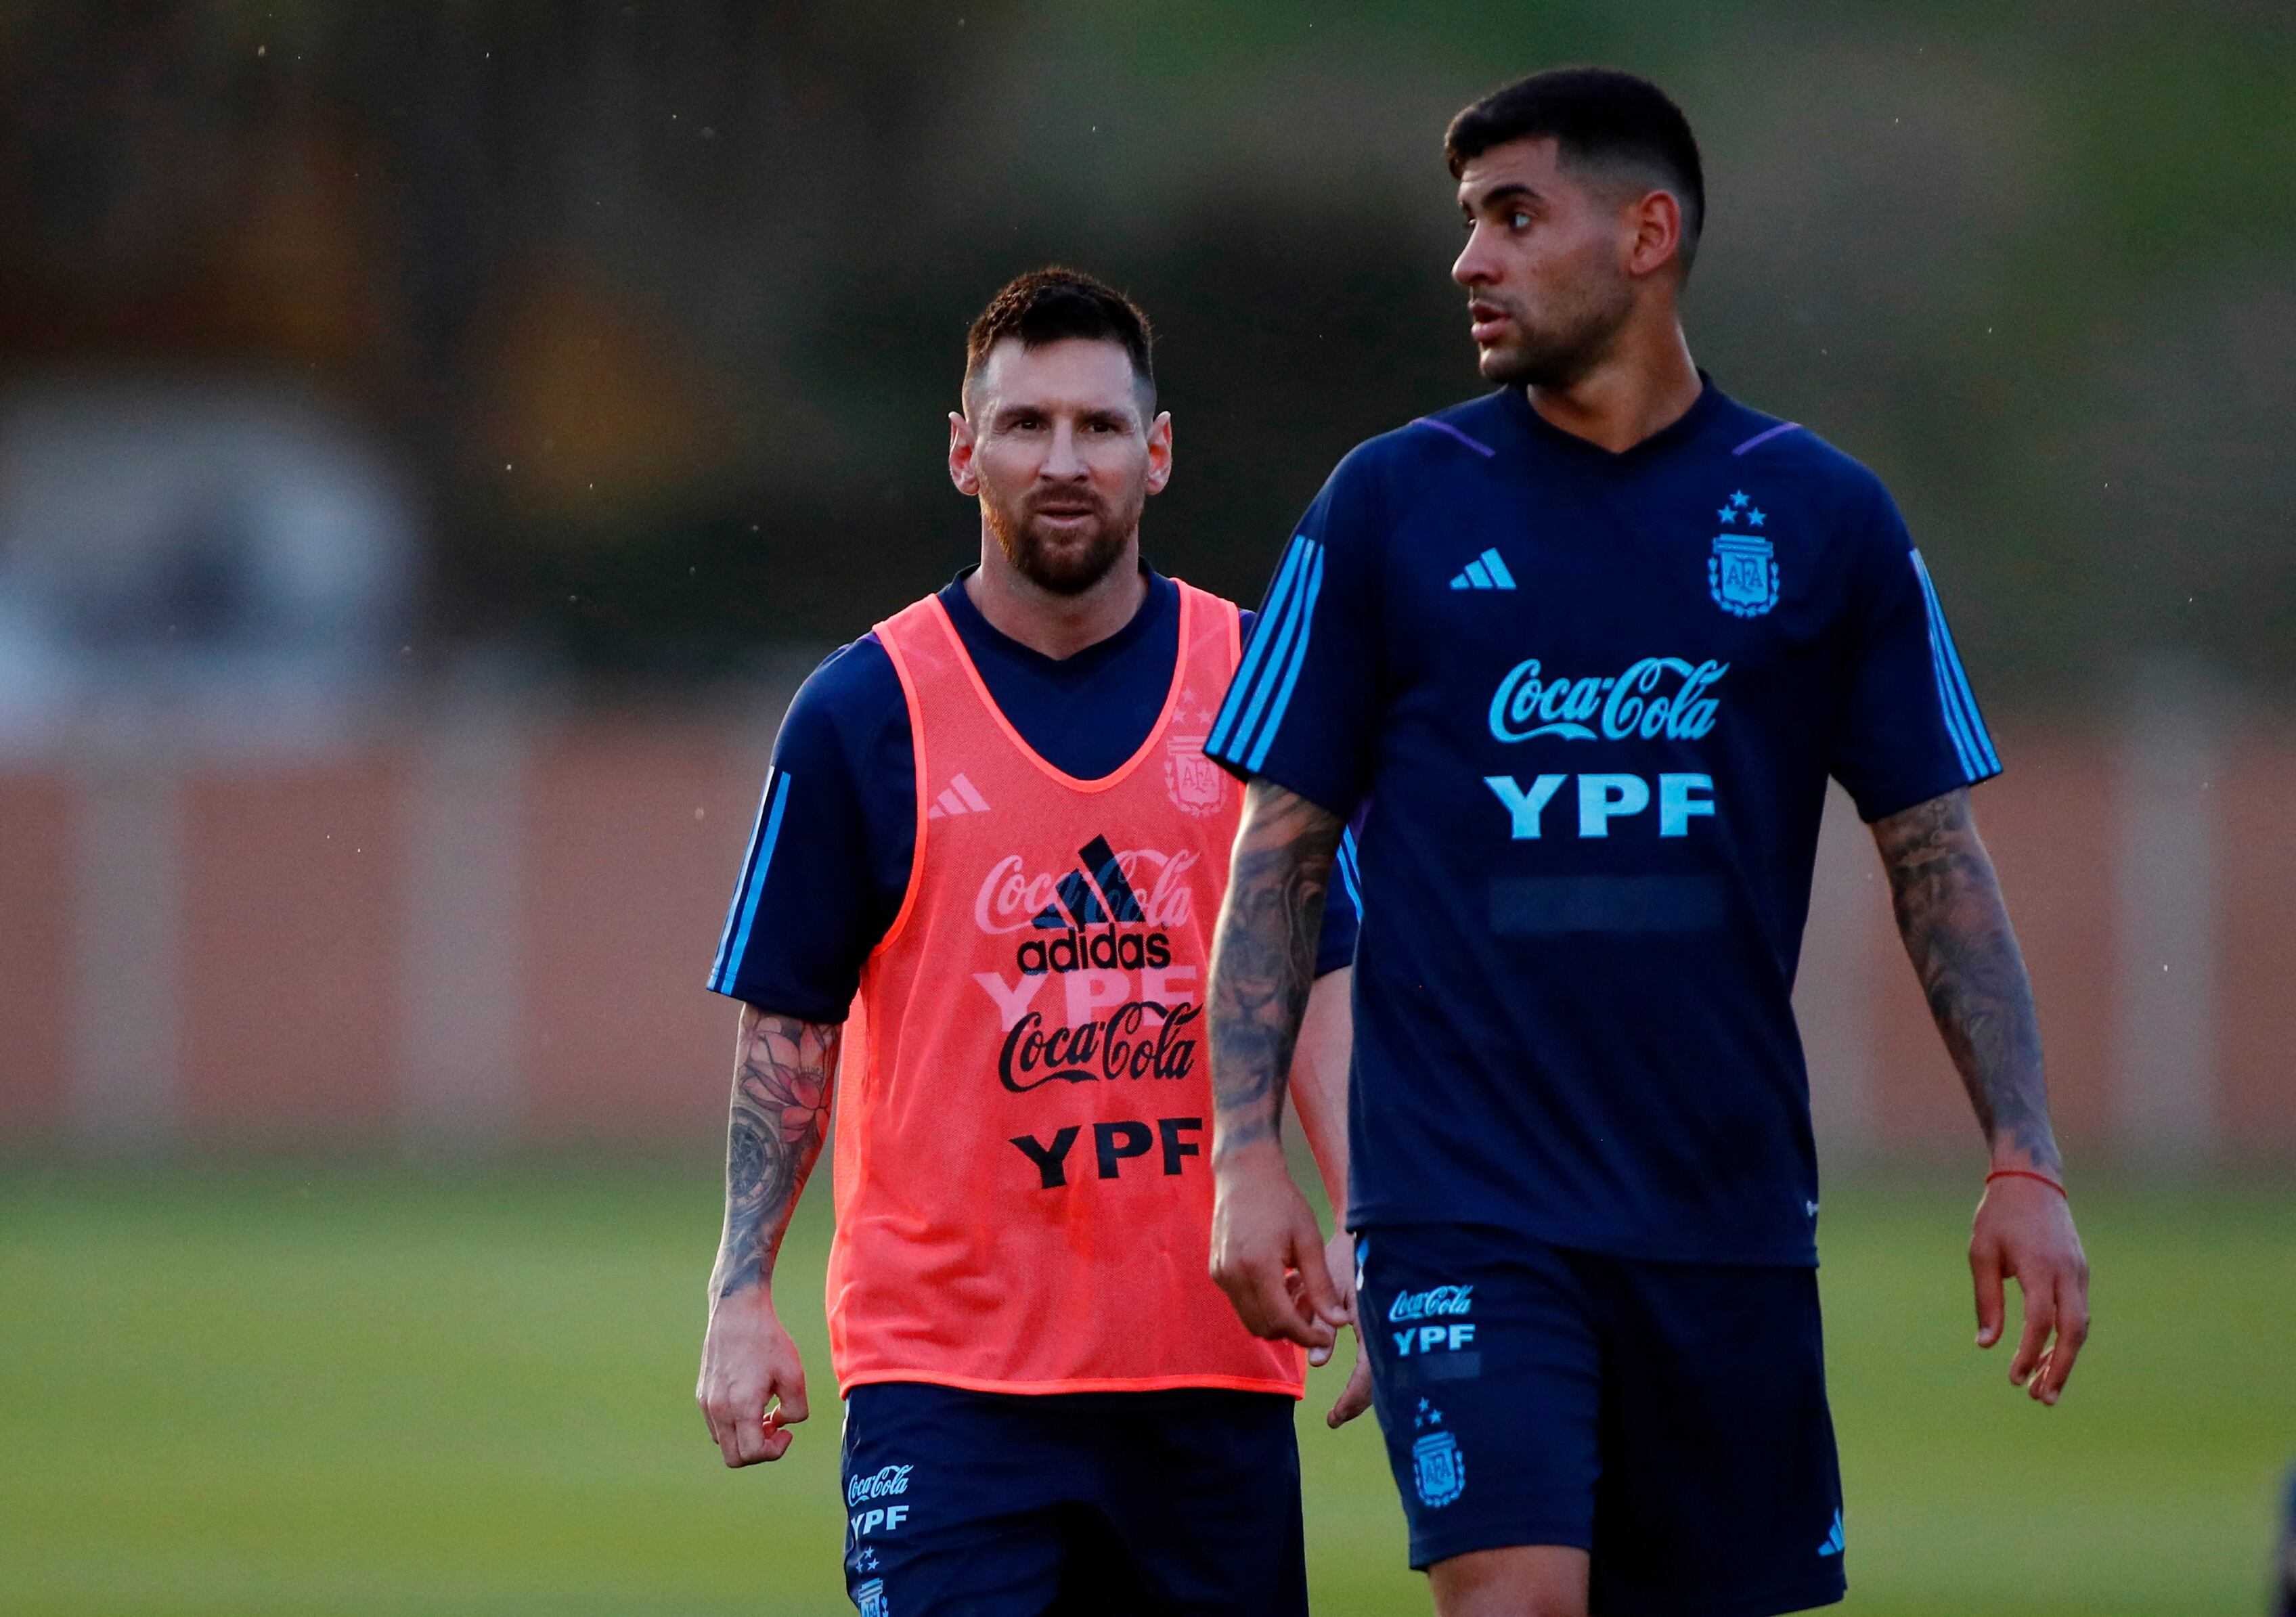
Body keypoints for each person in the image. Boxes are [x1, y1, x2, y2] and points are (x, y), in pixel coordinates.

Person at [1201, 67, 2091, 1617]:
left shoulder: (1822, 518)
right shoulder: (1389, 504)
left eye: (1513, 215)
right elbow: (1277, 851)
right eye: (1467, 220)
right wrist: (1242, 1155)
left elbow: (1934, 852)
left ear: (1647, 233)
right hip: (1461, 1201)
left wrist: (2022, 1155)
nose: (1467, 258)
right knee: (1519, 1598)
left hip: (1724, 1212)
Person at [693, 267, 1364, 1617]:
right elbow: (789, 1026)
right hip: (946, 1388)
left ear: (1156, 454)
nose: (1065, 462)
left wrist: (1378, 1225)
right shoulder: (861, 711)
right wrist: (739, 1289)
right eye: (1025, 425)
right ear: (963, 451)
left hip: (1208, 1361)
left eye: (1101, 427)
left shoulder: (1257, 682)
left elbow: (1328, 978)